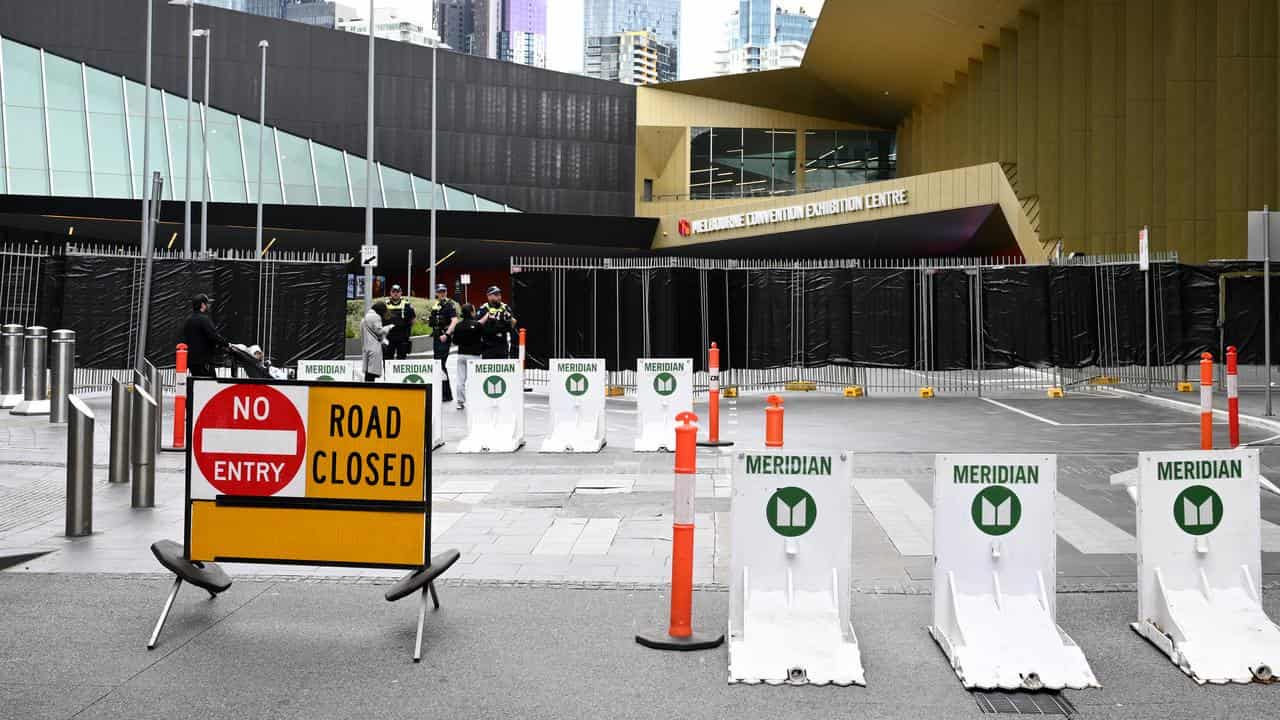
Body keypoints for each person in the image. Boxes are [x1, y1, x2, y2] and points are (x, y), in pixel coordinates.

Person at [426, 283, 461, 401]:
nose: (442, 294)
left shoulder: (449, 305)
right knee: (438, 364)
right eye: (440, 292)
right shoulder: (436, 305)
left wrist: (447, 334)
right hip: (436, 336)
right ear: (436, 293)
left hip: (443, 336)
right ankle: (443, 393)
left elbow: (454, 320)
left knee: (440, 364)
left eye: (444, 291)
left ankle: (446, 394)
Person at [182, 293, 229, 378]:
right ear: (203, 305)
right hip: (204, 361)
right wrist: (226, 344)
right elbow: (213, 336)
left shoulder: (188, 320)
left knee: (198, 386)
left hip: (192, 362)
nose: (208, 306)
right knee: (210, 386)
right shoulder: (204, 319)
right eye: (207, 304)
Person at [450, 304, 483, 409]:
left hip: (461, 355)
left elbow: (454, 341)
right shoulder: (477, 325)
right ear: (472, 312)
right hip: (474, 356)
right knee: (475, 379)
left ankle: (460, 402)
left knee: (460, 380)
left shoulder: (458, 326)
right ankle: (476, 400)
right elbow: (482, 338)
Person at [476, 285, 517, 359]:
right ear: (488, 296)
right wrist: (487, 316)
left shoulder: (505, 307)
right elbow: (477, 325)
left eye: (499, 294)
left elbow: (514, 324)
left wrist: (509, 317)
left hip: (502, 346)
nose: (499, 297)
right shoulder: (483, 308)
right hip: (488, 346)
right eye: (496, 295)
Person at [383, 284, 415, 360]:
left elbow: (413, 319)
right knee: (387, 360)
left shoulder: (407, 304)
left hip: (402, 337)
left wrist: (407, 330)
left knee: (401, 360)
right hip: (389, 337)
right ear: (390, 293)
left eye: (397, 291)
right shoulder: (385, 304)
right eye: (393, 291)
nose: (395, 293)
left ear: (401, 293)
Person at [362, 301, 391, 382]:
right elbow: (379, 331)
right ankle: (370, 391)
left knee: (368, 373)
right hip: (374, 348)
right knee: (372, 373)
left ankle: (367, 390)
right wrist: (388, 327)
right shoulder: (376, 317)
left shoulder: (366, 316)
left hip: (366, 347)